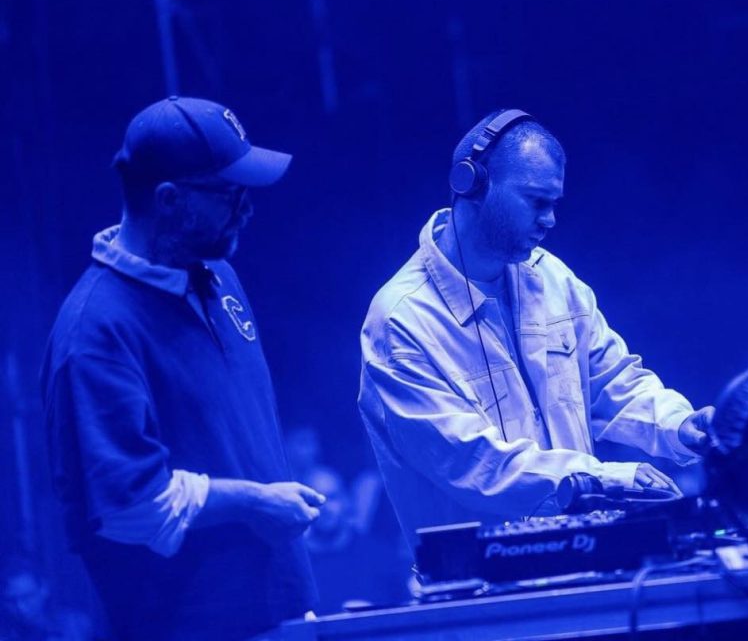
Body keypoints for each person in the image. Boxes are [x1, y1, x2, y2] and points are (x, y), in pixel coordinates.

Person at [358, 109, 713, 549]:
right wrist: (605, 478)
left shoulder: (552, 279)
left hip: (583, 554)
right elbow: (474, 463)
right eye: (536, 201)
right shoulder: (402, 320)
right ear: (472, 184)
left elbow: (612, 383)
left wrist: (680, 425)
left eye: (554, 204)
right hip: (475, 581)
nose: (550, 219)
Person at [40, 97, 323, 640]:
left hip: (279, 614)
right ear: (169, 200)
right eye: (228, 194)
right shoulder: (95, 330)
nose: (246, 208)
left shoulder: (217, 277)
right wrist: (254, 501)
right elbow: (129, 505)